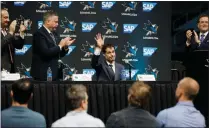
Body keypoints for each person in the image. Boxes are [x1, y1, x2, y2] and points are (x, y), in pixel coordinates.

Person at [30, 11, 75, 81]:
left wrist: (65, 47)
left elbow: (58, 54)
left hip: (54, 73)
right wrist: (60, 46)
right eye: (55, 22)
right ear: (48, 21)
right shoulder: (39, 34)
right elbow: (46, 52)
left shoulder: (54, 34)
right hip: (42, 75)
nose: (57, 24)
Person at [1, 8, 26, 73]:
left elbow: (18, 46)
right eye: (5, 18)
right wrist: (11, 32)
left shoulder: (6, 31)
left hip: (10, 68)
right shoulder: (9, 32)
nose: (8, 20)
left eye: (8, 18)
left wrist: (22, 33)